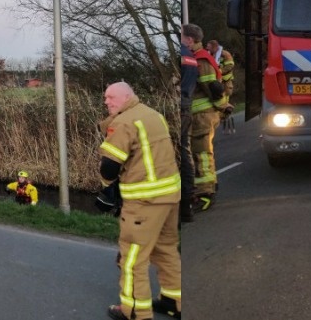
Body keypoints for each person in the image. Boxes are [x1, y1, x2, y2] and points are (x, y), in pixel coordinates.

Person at [98, 81, 181, 320]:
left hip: (144, 201)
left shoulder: (123, 122)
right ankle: (173, 301)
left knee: (133, 258)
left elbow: (109, 167)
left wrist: (106, 189)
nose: (107, 102)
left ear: (126, 97)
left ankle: (135, 310)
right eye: (106, 98)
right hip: (169, 195)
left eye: (111, 97)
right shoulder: (153, 114)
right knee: (166, 250)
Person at [190, 36, 229, 212]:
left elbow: (211, 87)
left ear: (190, 39)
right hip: (200, 114)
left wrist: (223, 106)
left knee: (202, 155)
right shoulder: (199, 57)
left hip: (202, 115)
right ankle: (209, 187)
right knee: (201, 154)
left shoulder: (201, 59)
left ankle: (206, 193)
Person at [176, 25, 201, 224]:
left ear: (189, 39)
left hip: (179, 107)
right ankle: (188, 205)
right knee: (185, 153)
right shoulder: (192, 58)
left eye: (181, 35)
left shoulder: (181, 54)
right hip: (188, 107)